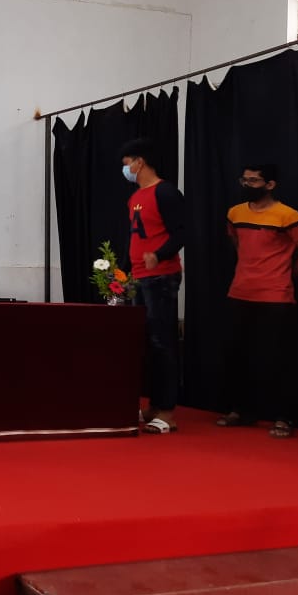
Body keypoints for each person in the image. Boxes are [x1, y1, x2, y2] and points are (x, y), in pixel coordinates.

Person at [217, 163, 298, 438]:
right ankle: (241, 410)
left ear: (270, 185)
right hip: (240, 291)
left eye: (254, 181)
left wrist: (286, 275)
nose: (247, 185)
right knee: (237, 354)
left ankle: (284, 416)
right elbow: (237, 243)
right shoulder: (235, 213)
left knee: (277, 357)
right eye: (244, 180)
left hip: (275, 294)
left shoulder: (288, 215)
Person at [121, 138, 185, 434]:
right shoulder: (135, 197)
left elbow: (181, 232)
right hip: (139, 276)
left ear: (140, 162)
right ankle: (155, 405)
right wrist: (123, 272)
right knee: (146, 343)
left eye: (127, 164)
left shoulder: (165, 192)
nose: (126, 170)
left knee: (163, 341)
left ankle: (168, 412)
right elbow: (135, 236)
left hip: (160, 276)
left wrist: (159, 255)